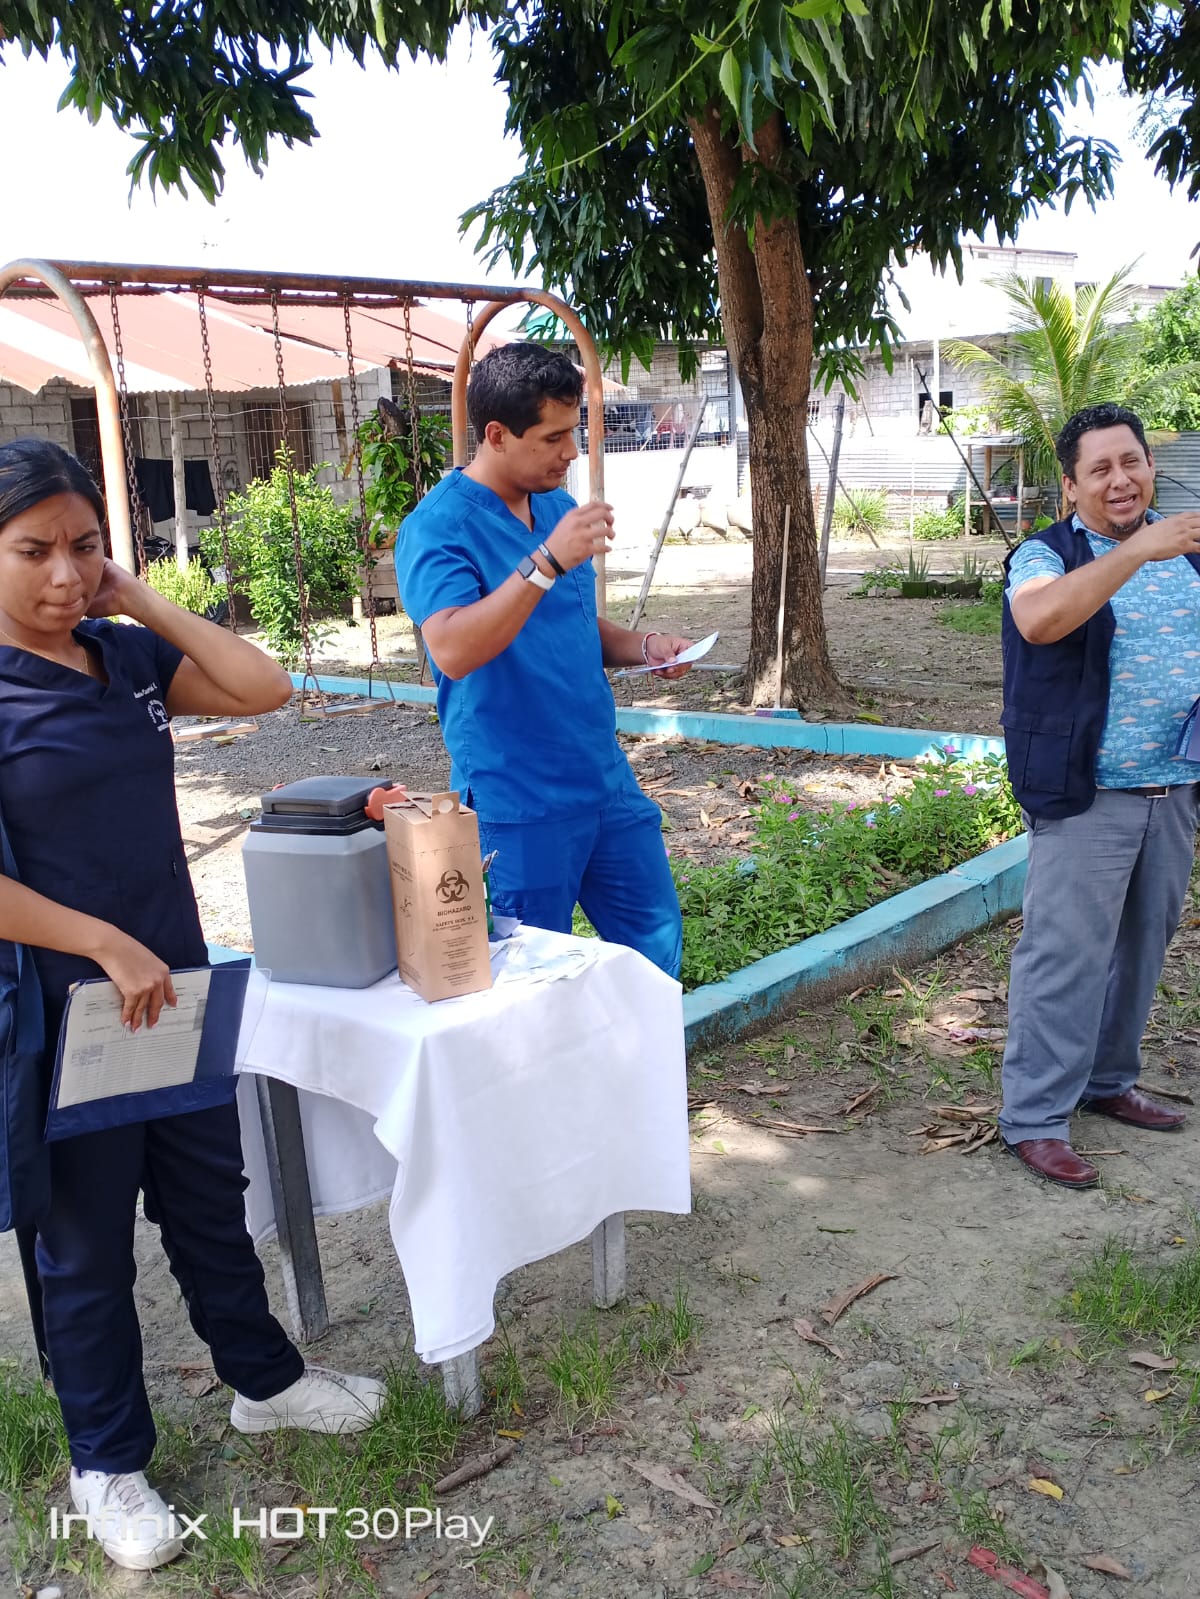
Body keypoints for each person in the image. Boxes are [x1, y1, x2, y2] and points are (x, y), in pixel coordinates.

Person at [0, 439, 386, 1572]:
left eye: (84, 546)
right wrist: (98, 942)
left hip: (175, 991)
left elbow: (265, 687)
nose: (64, 575)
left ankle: (263, 1381)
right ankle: (107, 1463)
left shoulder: (121, 657)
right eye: (32, 551)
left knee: (210, 1200)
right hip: (64, 1019)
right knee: (85, 1251)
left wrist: (133, 596)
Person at [394, 344, 695, 978]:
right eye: (554, 438)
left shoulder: (554, 507)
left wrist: (643, 647)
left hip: (603, 779)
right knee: (526, 982)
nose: (572, 452)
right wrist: (546, 561)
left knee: (654, 955)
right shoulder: (438, 527)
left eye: (573, 432)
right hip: (517, 798)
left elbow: (571, 624)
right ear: (496, 435)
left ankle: (642, 1049)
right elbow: (451, 648)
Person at [999, 403, 1200, 1188]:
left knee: (1143, 944)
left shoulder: (1186, 552)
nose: (1121, 480)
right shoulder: (1044, 555)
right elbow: (1040, 620)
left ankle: (1109, 1079)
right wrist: (1139, 548)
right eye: (1101, 468)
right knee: (1065, 955)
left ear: (1151, 466)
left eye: (1132, 461)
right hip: (1086, 792)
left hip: (1173, 785)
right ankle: (1035, 1117)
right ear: (1071, 485)